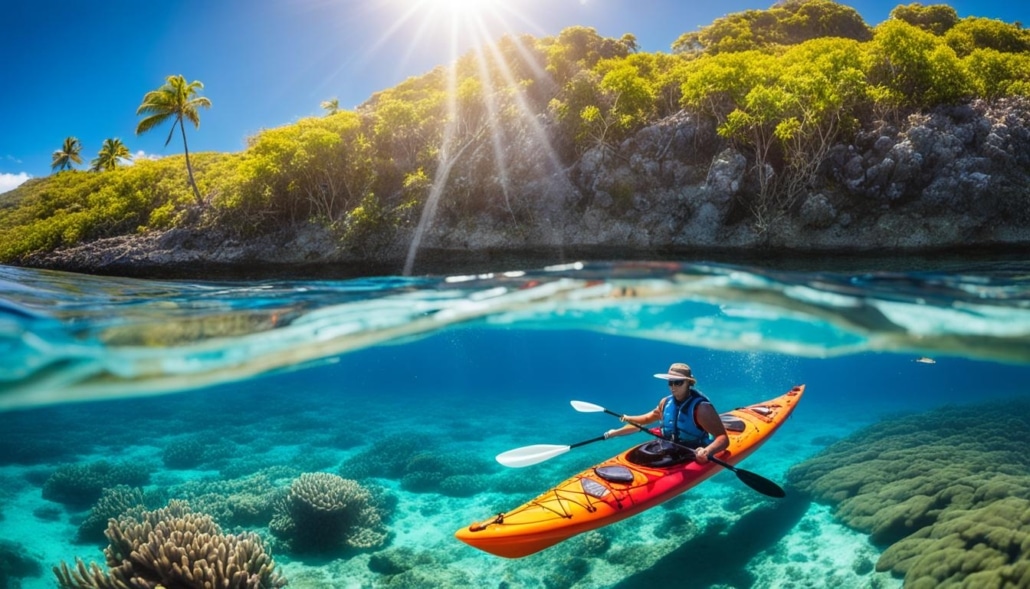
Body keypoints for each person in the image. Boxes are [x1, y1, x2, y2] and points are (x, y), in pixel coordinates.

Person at [604, 363, 728, 465]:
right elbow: (646, 419)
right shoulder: (665, 402)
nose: (673, 387)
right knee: (639, 456)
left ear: (688, 383)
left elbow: (723, 438)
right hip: (669, 447)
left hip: (692, 450)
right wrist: (625, 421)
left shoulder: (701, 408)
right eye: (670, 382)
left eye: (678, 382)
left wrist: (707, 451)